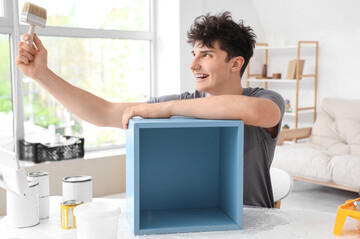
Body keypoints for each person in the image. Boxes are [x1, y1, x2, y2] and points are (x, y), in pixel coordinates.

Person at [16, 11, 284, 208]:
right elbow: (102, 112)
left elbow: (253, 112)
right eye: (193, 54)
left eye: (206, 55)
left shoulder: (265, 98)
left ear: (235, 64)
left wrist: (163, 108)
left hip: (255, 223)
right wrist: (41, 74)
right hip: (197, 219)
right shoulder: (185, 102)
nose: (193, 65)